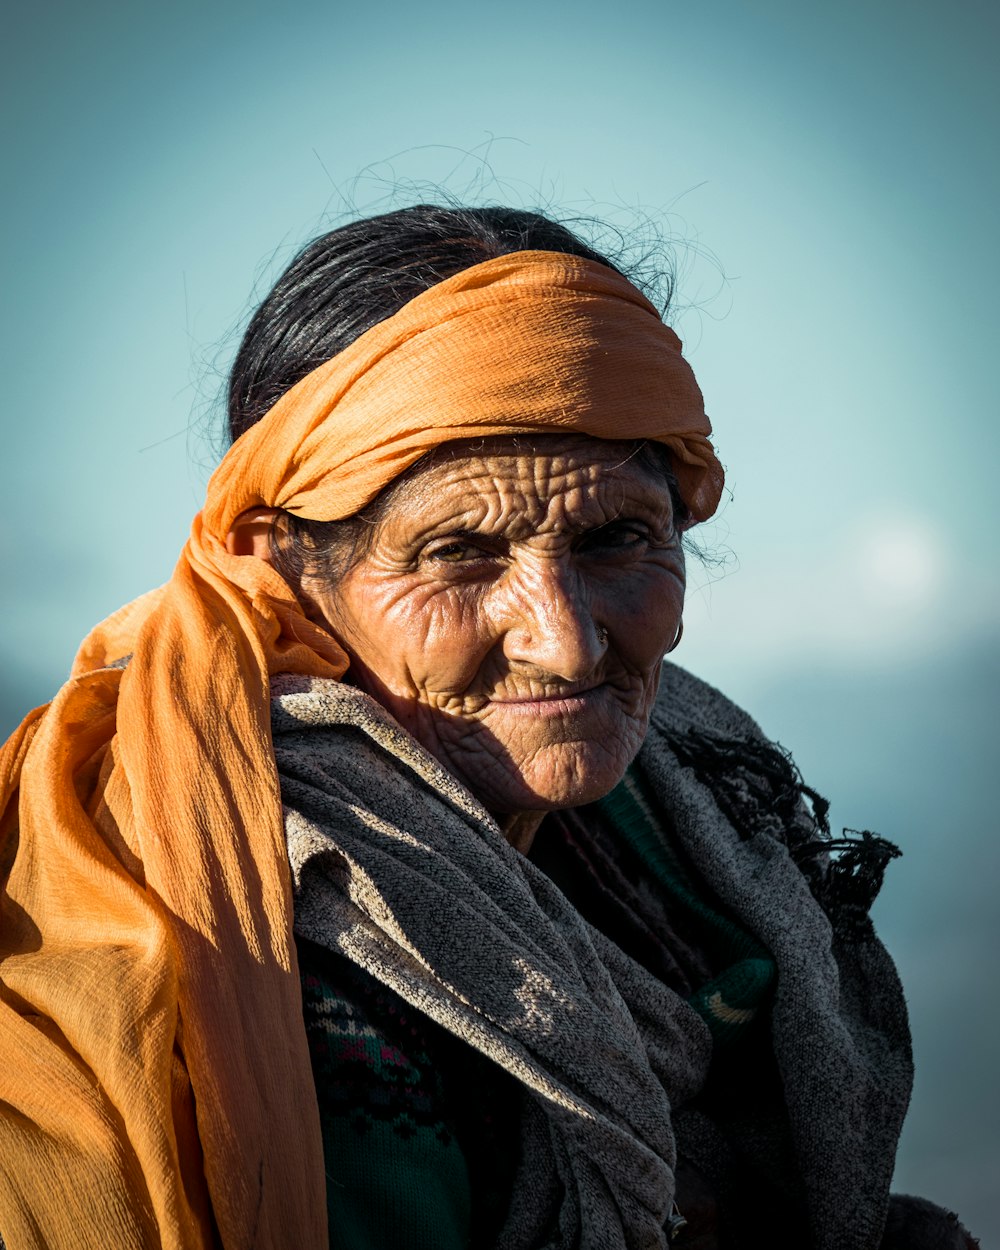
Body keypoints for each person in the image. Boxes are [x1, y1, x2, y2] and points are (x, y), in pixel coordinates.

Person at [0, 206, 977, 1250]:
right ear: (280, 564)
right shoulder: (282, 941)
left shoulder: (684, 810)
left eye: (616, 539)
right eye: (458, 551)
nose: (562, 643)